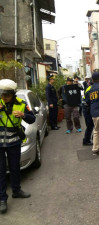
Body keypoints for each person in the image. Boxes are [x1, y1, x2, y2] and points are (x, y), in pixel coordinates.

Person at [0, 79, 36, 214]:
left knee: (15, 167)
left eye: (7, 95)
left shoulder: (21, 104)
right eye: (2, 95)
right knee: (1, 171)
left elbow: (32, 119)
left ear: (12, 94)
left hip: (14, 142)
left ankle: (16, 190)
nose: (4, 98)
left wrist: (23, 115)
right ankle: (2, 199)